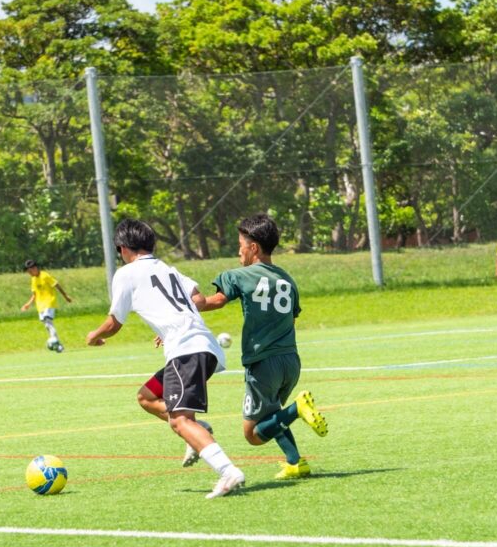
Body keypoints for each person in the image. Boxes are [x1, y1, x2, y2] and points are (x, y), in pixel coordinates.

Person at [86, 218, 245, 499]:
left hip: (186, 350)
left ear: (123, 248)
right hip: (203, 348)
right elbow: (198, 299)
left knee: (179, 421)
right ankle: (199, 431)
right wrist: (172, 322)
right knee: (146, 396)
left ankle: (228, 471)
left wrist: (94, 336)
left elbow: (114, 323)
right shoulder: (168, 269)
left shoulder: (126, 273)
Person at [197, 214, 328, 481]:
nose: (239, 251)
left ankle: (298, 408)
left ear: (253, 247)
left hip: (263, 362)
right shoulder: (287, 280)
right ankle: (295, 462)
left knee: (253, 434)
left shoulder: (239, 276)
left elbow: (216, 301)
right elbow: (291, 319)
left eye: (240, 245)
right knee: (272, 415)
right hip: (290, 361)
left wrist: (185, 306)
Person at [21, 259, 72, 352]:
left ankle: (57, 343)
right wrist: (28, 304)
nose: (29, 273)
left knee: (48, 321)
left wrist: (66, 296)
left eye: (30, 271)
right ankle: (57, 343)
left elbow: (56, 285)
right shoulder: (33, 279)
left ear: (35, 268)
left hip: (49, 302)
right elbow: (35, 294)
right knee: (47, 325)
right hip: (40, 305)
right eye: (28, 272)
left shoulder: (45, 276)